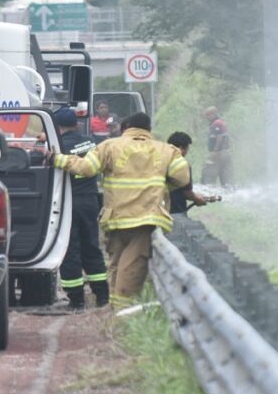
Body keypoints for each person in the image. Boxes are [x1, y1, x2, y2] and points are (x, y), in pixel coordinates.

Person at [50, 112, 190, 306]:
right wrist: (161, 186)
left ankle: (115, 311)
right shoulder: (166, 150)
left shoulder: (109, 146)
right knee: (131, 269)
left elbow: (85, 168)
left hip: (116, 219)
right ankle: (121, 313)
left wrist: (57, 159)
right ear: (148, 129)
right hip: (145, 220)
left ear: (127, 128)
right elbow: (182, 178)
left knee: (116, 267)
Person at [52, 107, 109, 311]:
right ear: (76, 124)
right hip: (90, 201)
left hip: (69, 203)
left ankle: (76, 300)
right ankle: (102, 296)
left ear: (57, 127)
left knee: (70, 249)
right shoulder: (91, 142)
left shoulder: (58, 146)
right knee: (91, 247)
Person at [167, 132, 208, 216]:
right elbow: (187, 193)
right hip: (176, 210)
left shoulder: (159, 160)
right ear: (181, 148)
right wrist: (197, 198)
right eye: (187, 149)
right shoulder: (181, 164)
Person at [202, 106, 232, 186]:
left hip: (218, 153)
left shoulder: (217, 123)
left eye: (208, 115)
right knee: (226, 177)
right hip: (225, 153)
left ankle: (207, 189)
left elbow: (219, 136)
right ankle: (228, 189)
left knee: (208, 174)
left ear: (213, 114)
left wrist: (215, 150)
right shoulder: (221, 122)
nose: (207, 117)